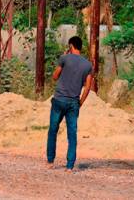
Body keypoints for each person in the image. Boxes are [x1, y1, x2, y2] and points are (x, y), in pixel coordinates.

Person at [46, 36, 93, 171]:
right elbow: (88, 87)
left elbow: (55, 76)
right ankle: (70, 166)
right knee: (72, 133)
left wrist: (63, 59)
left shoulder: (64, 59)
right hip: (73, 102)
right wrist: (80, 102)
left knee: (53, 130)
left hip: (59, 100)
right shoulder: (88, 65)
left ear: (71, 46)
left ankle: (50, 161)